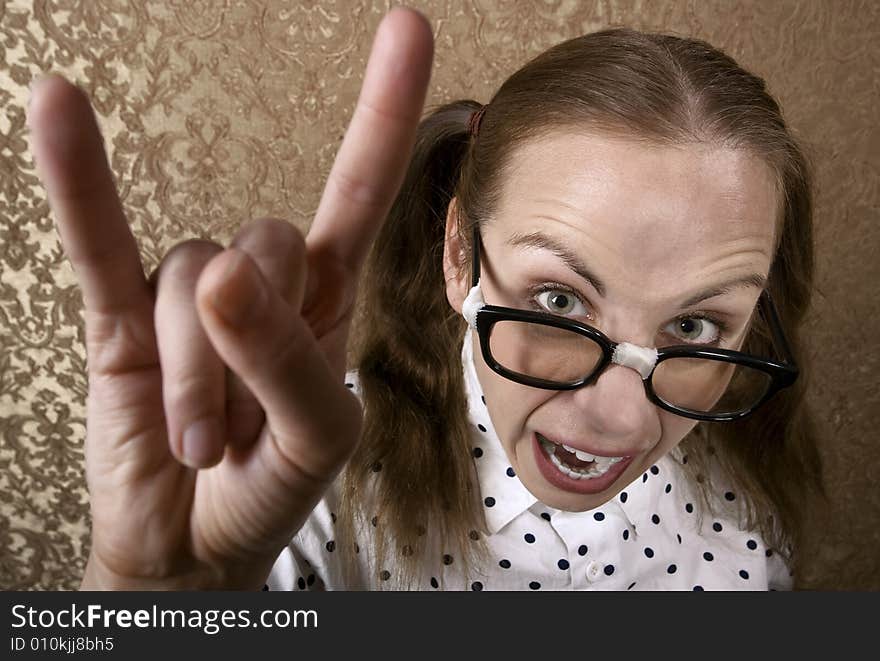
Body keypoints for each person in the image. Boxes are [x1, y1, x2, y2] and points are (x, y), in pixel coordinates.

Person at [27, 7, 823, 591]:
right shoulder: (308, 495)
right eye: (559, 302)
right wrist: (152, 600)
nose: (623, 419)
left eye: (693, 324)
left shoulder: (741, 497)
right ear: (459, 255)